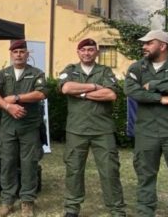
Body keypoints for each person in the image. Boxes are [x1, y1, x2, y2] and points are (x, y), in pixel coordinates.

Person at [124, 30, 168, 217]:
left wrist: (153, 85)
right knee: (145, 174)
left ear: (162, 46)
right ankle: (145, 211)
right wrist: (161, 99)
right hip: (146, 130)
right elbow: (132, 91)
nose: (144, 46)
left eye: (149, 43)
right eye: (144, 43)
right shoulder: (137, 68)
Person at [58, 38, 126, 217]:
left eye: (90, 50)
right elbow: (66, 88)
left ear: (96, 52)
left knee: (110, 170)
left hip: (102, 130)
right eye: (83, 50)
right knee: (74, 169)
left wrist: (80, 94)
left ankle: (116, 209)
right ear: (78, 52)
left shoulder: (105, 71)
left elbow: (110, 94)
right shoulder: (70, 70)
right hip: (76, 130)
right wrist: (94, 87)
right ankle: (72, 208)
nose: (87, 53)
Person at [0, 40, 47, 217]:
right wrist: (8, 107)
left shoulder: (36, 73)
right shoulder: (2, 74)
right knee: (7, 163)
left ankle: (27, 201)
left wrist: (16, 97)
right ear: (11, 54)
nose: (19, 54)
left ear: (27, 54)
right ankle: (7, 201)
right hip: (8, 127)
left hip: (29, 126)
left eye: (22, 51)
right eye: (15, 52)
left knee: (29, 164)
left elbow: (41, 93)